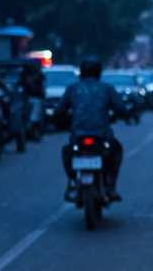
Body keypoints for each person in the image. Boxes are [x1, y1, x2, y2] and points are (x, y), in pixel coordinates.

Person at [55, 58, 129, 201]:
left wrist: (64, 123)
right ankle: (111, 187)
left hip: (78, 135)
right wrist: (125, 115)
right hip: (101, 134)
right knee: (116, 150)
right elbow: (120, 108)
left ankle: (71, 182)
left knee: (67, 151)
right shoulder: (106, 89)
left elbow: (59, 111)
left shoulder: (73, 88)